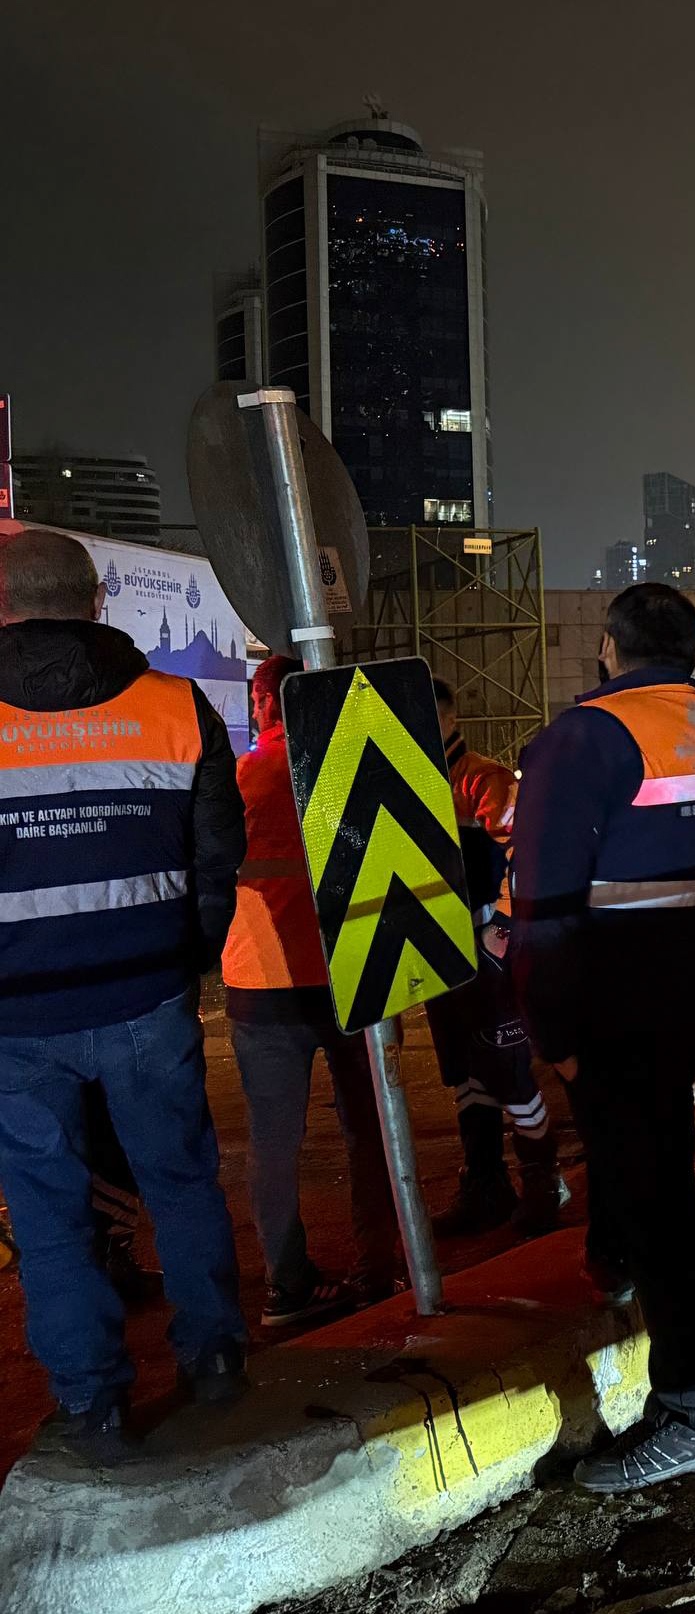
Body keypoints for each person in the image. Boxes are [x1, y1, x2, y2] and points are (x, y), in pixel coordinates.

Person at [513, 582, 695, 1492]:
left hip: (615, 1001)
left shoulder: (584, 738)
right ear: (689, 653)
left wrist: (554, 1031)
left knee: (654, 1189)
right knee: (639, 1146)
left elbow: (545, 909)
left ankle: (693, 1411)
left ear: (610, 649)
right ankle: (613, 1261)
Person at [0, 527, 249, 1464]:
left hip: (14, 1020)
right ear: (98, 601)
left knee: (48, 1211)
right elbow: (214, 859)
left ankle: (95, 1405)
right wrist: (185, 958)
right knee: (181, 1182)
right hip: (147, 996)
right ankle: (217, 1357)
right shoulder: (177, 707)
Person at [220, 653, 402, 1326]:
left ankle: (284, 1286)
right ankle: (378, 1268)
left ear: (264, 702)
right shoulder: (344, 771)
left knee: (273, 1142)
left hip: (259, 981)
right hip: (347, 971)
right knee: (368, 1129)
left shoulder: (237, 779)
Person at [422, 678, 566, 1237]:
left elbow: (527, 853)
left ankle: (542, 1183)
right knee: (466, 1070)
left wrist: (502, 930)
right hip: (441, 946)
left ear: (450, 720)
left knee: (507, 1070)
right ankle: (486, 1185)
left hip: (485, 945)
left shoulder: (482, 778)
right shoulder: (413, 779)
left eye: (429, 719)